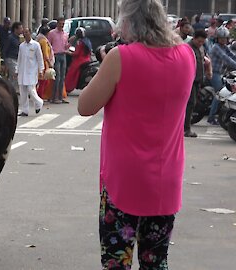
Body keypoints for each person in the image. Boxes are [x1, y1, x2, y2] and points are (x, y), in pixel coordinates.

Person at [78, 0, 196, 268]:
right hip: (167, 180)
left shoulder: (121, 58)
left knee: (116, 261)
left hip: (124, 181)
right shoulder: (187, 55)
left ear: (130, 22)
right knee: (155, 261)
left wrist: (107, 68)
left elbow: (85, 106)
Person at [207, 27, 236, 125]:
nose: (223, 40)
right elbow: (226, 59)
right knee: (219, 94)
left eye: (225, 38)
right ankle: (211, 117)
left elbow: (231, 55)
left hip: (220, 73)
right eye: (221, 38)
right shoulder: (216, 47)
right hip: (213, 73)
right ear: (217, 38)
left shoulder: (224, 47)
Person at [185, 30, 210, 137]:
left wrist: (208, 71)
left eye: (202, 42)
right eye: (199, 41)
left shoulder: (200, 47)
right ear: (194, 38)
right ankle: (186, 129)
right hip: (189, 80)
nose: (200, 44)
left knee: (192, 104)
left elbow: (204, 60)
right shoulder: (187, 48)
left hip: (198, 80)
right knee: (190, 104)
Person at [16, 28, 44, 117]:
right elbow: (19, 59)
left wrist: (41, 70)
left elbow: (40, 59)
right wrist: (17, 69)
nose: (25, 34)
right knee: (23, 92)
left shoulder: (36, 45)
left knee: (31, 90)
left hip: (32, 71)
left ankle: (39, 102)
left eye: (27, 32)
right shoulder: (22, 46)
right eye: (24, 33)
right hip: (22, 71)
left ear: (30, 33)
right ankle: (25, 110)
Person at [47, 17, 69, 104]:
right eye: (60, 24)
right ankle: (54, 97)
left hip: (63, 55)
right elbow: (49, 44)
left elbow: (65, 46)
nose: (61, 25)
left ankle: (60, 96)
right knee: (57, 77)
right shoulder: (52, 33)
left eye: (63, 24)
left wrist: (70, 43)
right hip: (55, 55)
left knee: (62, 77)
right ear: (57, 24)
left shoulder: (65, 34)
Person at [65, 27, 92, 93]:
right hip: (87, 59)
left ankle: (68, 87)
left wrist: (68, 52)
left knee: (71, 72)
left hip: (80, 60)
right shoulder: (87, 40)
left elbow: (76, 53)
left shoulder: (80, 42)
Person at [3, 22, 23, 92]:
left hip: (16, 58)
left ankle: (10, 90)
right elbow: (5, 49)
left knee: (12, 77)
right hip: (10, 59)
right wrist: (4, 61)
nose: (21, 30)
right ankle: (12, 91)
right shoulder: (10, 38)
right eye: (20, 28)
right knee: (15, 75)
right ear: (15, 29)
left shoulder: (18, 38)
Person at [36, 26, 54, 97]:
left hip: (40, 62)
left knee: (41, 81)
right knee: (43, 81)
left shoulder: (39, 40)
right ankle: (39, 96)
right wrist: (50, 64)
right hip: (43, 63)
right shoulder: (44, 41)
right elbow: (46, 55)